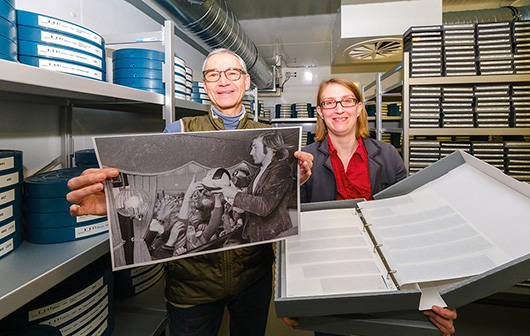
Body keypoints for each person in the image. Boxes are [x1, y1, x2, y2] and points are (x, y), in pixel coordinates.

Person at [66, 48, 313, 336]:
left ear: (246, 81)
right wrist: (110, 199)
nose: (223, 81)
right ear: (205, 84)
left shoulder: (265, 135)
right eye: (213, 74)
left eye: (232, 73)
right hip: (192, 287)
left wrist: (297, 181)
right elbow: (149, 196)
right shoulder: (179, 130)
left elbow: (264, 203)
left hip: (252, 278)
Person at [283, 78, 457, 336]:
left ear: (359, 107)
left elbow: (406, 222)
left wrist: (434, 293)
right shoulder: (303, 160)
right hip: (329, 272)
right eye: (329, 103)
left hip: (384, 274)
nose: (339, 109)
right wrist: (290, 292)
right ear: (319, 112)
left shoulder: (387, 155)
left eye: (347, 101)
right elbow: (294, 230)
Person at [220, 130, 295, 242]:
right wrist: (232, 180)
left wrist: (235, 195)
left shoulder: (282, 170)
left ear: (270, 148)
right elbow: (249, 180)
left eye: (255, 147)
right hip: (256, 234)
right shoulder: (262, 168)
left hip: (272, 236)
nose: (251, 152)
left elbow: (265, 206)